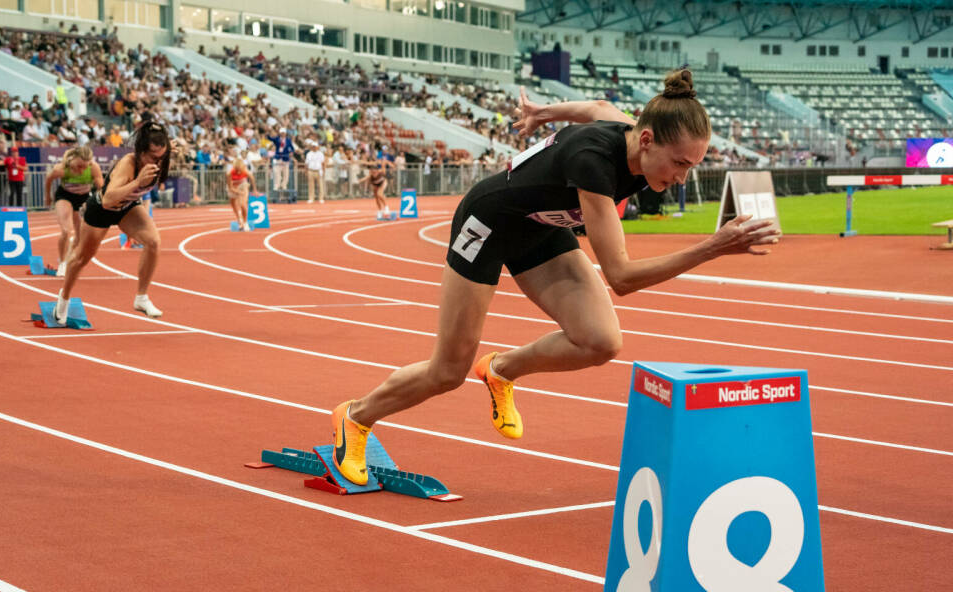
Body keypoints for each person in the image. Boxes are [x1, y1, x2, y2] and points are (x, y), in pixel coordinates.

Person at [329, 70, 780, 486]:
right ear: (646, 140)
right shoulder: (594, 164)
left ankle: (501, 370)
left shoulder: (634, 135)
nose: (682, 177)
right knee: (448, 371)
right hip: (488, 224)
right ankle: (356, 416)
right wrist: (711, 248)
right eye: (680, 163)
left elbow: (597, 108)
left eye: (692, 167)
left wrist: (545, 113)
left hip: (541, 227)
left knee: (600, 340)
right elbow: (620, 276)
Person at [53, 121, 171, 325]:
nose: (157, 162)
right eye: (153, 157)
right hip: (102, 209)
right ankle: (63, 299)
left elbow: (165, 153)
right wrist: (137, 182)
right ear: (141, 151)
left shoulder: (161, 158)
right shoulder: (128, 164)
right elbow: (108, 199)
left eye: (161, 157)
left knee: (154, 242)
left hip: (127, 207)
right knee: (81, 258)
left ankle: (141, 298)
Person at [42, 145, 103, 274]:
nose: (82, 170)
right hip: (65, 196)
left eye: (84, 167)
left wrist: (97, 203)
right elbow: (49, 179)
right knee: (66, 230)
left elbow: (101, 188)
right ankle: (63, 263)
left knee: (81, 235)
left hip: (84, 198)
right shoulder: (62, 168)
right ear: (73, 160)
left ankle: (70, 258)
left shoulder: (93, 168)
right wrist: (47, 196)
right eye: (79, 166)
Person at [226, 154, 255, 231]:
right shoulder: (229, 173)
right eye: (237, 169)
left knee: (243, 204)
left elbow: (252, 178)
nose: (238, 171)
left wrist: (254, 190)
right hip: (233, 186)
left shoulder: (245, 171)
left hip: (243, 184)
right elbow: (230, 187)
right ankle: (239, 219)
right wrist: (237, 192)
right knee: (233, 203)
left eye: (240, 169)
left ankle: (245, 222)